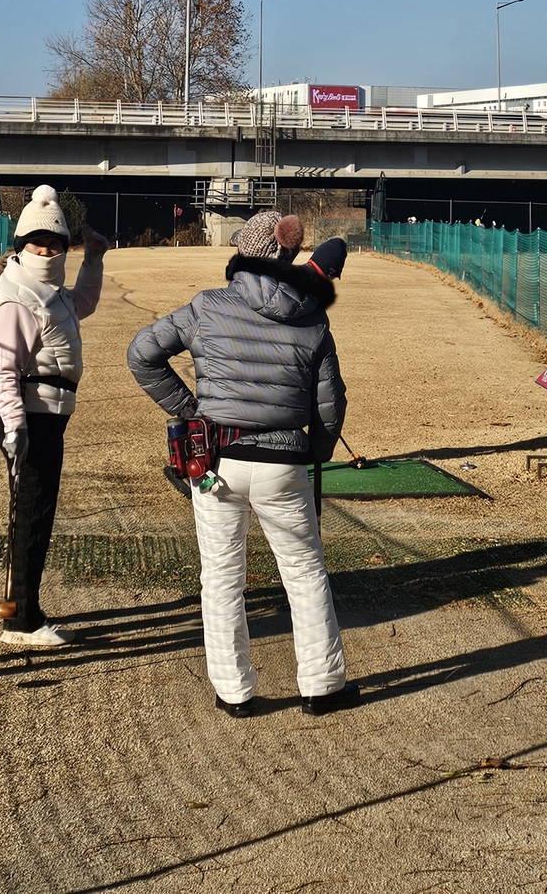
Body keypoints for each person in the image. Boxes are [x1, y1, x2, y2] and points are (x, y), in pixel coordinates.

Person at [128, 214, 355, 717]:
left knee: (222, 575)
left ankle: (234, 690)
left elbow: (142, 353)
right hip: (284, 461)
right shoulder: (313, 318)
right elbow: (330, 404)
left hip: (216, 459)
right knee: (303, 569)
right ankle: (321, 685)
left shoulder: (207, 307)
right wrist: (317, 452)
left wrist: (194, 412)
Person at [0, 184, 108, 648]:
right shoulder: (16, 296)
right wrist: (14, 427)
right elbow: (4, 372)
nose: (46, 250)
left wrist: (93, 259)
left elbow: (83, 305)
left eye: (54, 243)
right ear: (21, 247)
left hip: (47, 416)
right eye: (37, 243)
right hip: (28, 419)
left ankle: (26, 606)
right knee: (30, 515)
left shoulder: (47, 290)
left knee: (36, 513)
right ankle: (20, 621)